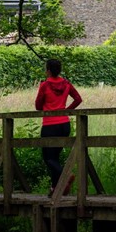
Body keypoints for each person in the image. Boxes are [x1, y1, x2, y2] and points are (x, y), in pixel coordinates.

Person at [35, 59, 82, 196]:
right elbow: (78, 99)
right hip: (64, 125)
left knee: (48, 158)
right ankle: (55, 189)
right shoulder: (66, 84)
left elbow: (38, 106)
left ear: (48, 70)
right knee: (54, 157)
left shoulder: (44, 85)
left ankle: (65, 177)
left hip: (50, 125)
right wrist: (66, 111)